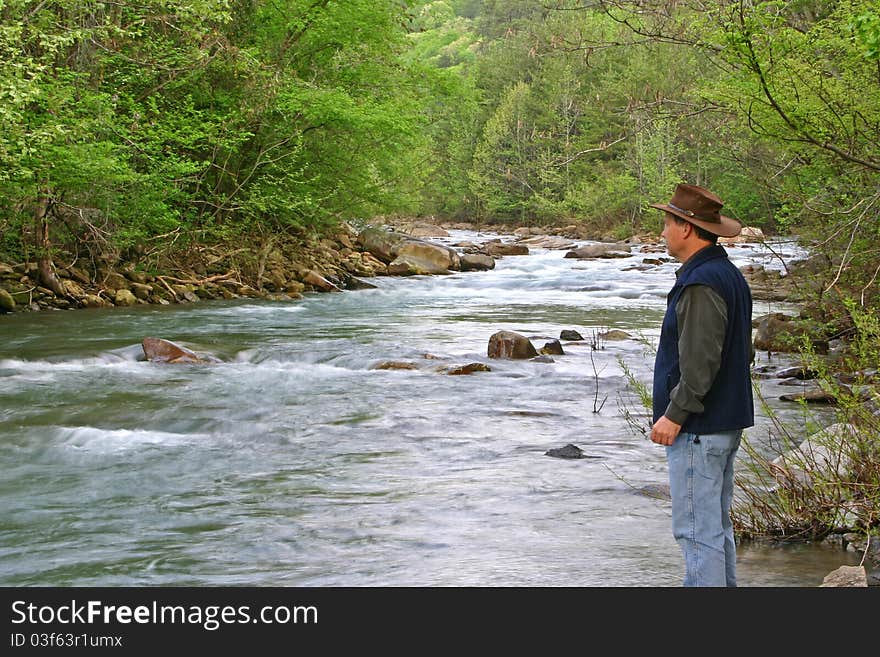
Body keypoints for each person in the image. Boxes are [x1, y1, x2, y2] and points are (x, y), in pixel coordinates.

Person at [648, 183, 754, 587]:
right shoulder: (727, 274)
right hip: (725, 421)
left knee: (695, 532)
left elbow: (701, 363)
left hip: (699, 428)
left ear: (687, 228)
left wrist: (675, 415)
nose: (662, 232)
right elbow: (741, 354)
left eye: (667, 223)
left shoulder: (701, 282)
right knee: (714, 529)